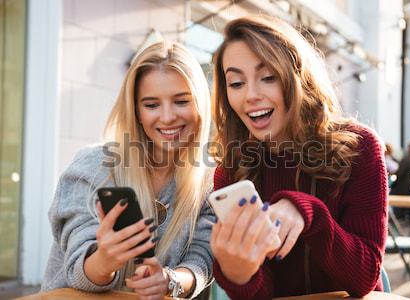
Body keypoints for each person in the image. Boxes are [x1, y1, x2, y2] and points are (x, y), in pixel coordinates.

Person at [209, 15, 388, 299]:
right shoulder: (232, 170)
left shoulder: (360, 147)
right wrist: (239, 273)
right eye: (236, 83)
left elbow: (364, 277)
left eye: (268, 77)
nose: (250, 95)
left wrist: (310, 214)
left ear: (299, 77)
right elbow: (263, 291)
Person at [41, 41, 214, 299]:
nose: (167, 117)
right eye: (152, 105)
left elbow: (202, 258)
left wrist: (170, 280)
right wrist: (105, 260)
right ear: (136, 112)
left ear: (200, 106)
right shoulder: (92, 167)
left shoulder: (209, 181)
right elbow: (78, 263)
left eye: (181, 101)